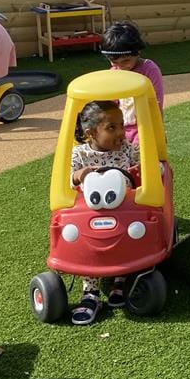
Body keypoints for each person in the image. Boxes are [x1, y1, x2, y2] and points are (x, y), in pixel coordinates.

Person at [70, 100, 140, 325]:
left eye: (121, 125)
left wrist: (151, 166)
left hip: (125, 213)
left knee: (128, 239)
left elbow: (144, 166)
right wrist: (79, 175)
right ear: (91, 133)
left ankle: (121, 278)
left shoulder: (127, 149)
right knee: (89, 245)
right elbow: (67, 181)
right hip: (92, 216)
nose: (121, 132)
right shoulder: (80, 154)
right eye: (112, 128)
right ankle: (90, 293)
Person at [100, 20, 164, 145]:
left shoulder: (149, 70)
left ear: (137, 52)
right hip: (120, 129)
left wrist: (155, 133)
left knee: (146, 161)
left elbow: (156, 104)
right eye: (115, 62)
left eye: (126, 61)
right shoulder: (114, 72)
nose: (121, 66)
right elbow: (112, 104)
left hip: (145, 127)